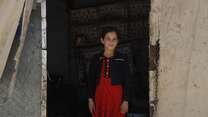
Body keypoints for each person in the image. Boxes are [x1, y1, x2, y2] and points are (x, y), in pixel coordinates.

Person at [87, 26, 131, 117]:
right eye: (108, 39)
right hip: (100, 96)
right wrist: (90, 99)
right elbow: (90, 80)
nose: (111, 41)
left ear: (117, 41)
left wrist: (126, 100)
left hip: (117, 97)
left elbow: (127, 80)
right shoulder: (96, 59)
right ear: (102, 40)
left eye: (114, 39)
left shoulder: (122, 58)